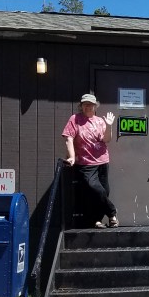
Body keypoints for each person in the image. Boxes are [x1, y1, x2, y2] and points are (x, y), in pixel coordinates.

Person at [62, 93, 118, 228]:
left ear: (95, 106)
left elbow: (106, 140)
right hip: (86, 163)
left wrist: (109, 125)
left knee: (105, 190)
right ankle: (112, 213)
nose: (88, 107)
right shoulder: (75, 119)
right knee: (97, 189)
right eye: (85, 104)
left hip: (103, 161)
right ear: (81, 106)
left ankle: (97, 220)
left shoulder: (99, 121)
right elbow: (68, 138)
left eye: (91, 105)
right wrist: (71, 156)